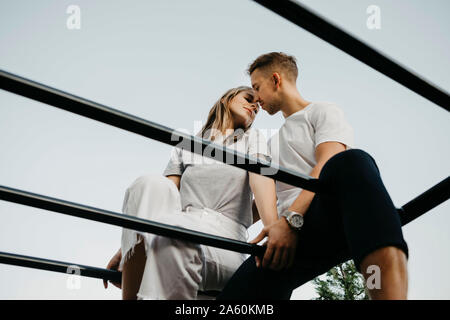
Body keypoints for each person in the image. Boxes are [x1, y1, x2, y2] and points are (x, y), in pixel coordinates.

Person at [216, 52, 409, 300]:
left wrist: (290, 220)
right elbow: (264, 197)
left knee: (353, 160)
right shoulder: (271, 144)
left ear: (276, 79)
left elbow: (327, 163)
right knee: (235, 297)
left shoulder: (321, 111)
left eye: (257, 87)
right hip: (290, 238)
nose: (257, 99)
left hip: (325, 213)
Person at [103, 86, 279, 300]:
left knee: (175, 236)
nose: (254, 106)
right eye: (248, 98)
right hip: (176, 225)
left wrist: (273, 229)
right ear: (227, 99)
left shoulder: (253, 139)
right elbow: (159, 199)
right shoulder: (188, 145)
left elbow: (261, 180)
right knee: (148, 183)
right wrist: (126, 251)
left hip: (223, 240)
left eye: (258, 107)